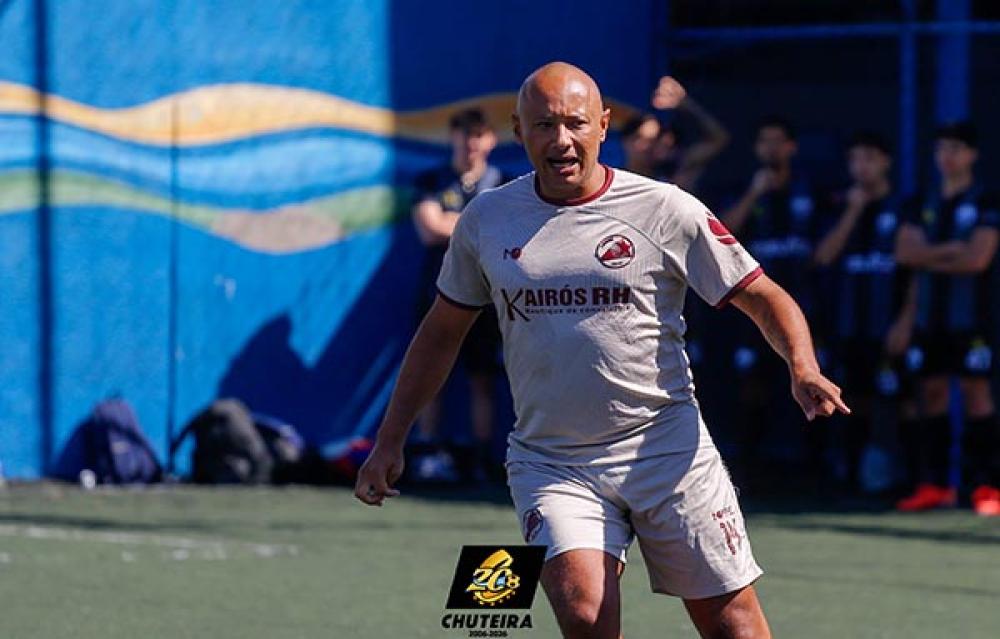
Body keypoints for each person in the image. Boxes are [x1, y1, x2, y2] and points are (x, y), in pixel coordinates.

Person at [356, 62, 848, 638]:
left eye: (575, 123)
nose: (561, 140)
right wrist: (390, 439)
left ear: (604, 126)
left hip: (666, 451)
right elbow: (440, 332)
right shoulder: (487, 219)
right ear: (518, 131)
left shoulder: (665, 208)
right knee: (585, 614)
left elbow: (763, 296)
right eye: (544, 125)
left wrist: (802, 367)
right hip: (553, 460)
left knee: (734, 628)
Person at [894, 121, 1000, 515]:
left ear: (972, 154)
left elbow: (977, 259)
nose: (947, 157)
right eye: (941, 149)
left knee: (976, 395)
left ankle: (985, 486)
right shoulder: (920, 200)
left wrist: (929, 255)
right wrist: (952, 248)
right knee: (933, 393)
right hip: (929, 318)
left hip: (972, 319)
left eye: (955, 148)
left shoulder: (986, 200)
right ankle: (936, 486)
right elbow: (904, 253)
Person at [721, 117, 826, 489]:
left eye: (778, 141)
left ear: (791, 147)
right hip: (753, 313)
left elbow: (824, 251)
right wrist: (753, 194)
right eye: (764, 141)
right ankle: (749, 472)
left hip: (805, 307)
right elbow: (719, 236)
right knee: (753, 388)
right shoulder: (744, 190)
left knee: (811, 381)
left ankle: (816, 472)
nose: (771, 149)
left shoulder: (810, 191)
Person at [813, 131, 918, 493]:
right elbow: (823, 257)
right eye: (856, 159)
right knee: (850, 399)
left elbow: (914, 270)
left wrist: (905, 320)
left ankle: (909, 481)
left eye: (870, 158)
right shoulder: (839, 206)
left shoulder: (904, 208)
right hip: (848, 325)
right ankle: (851, 480)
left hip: (888, 324)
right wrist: (853, 211)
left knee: (900, 400)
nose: (862, 167)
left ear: (885, 162)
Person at [410, 107, 509, 482]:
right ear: (453, 136)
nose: (471, 143)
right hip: (437, 293)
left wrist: (454, 223)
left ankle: (482, 458)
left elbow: (504, 233)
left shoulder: (503, 184)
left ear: (491, 139)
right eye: (465, 134)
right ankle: (429, 453)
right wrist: (476, 225)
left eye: (478, 134)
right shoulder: (432, 180)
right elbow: (429, 229)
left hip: (487, 296)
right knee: (431, 374)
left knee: (482, 377)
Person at [620, 76, 729, 192]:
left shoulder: (673, 180)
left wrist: (686, 104)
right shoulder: (613, 180)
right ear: (625, 140)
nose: (648, 147)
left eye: (654, 141)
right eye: (641, 139)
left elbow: (719, 139)